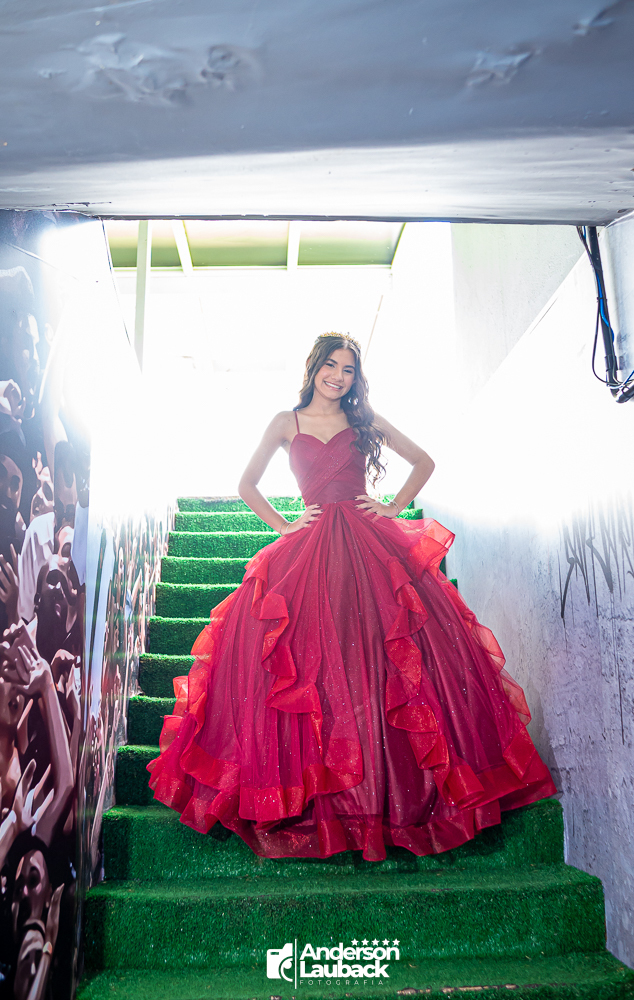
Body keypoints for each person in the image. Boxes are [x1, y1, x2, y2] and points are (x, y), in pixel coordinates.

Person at [148, 333, 556, 861]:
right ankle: (328, 797)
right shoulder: (285, 422)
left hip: (367, 543)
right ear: (313, 367)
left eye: (347, 370)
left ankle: (389, 796)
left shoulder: (365, 420)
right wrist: (285, 526)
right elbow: (247, 483)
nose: (338, 377)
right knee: (308, 663)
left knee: (380, 658)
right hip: (311, 547)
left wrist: (392, 508)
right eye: (330, 366)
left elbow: (423, 461)